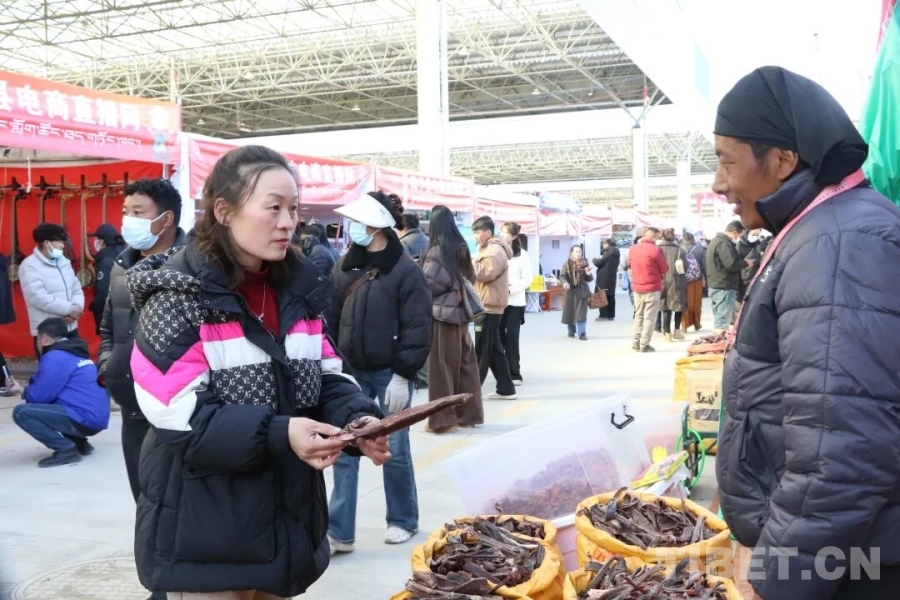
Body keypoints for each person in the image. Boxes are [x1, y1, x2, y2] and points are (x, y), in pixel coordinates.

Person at [127, 145, 390, 599]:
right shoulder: (176, 298)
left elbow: (328, 373)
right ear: (224, 212)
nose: (288, 222)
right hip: (206, 533)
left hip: (286, 524)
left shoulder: (299, 292)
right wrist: (280, 432)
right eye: (273, 208)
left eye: (294, 209)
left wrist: (356, 419)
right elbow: (177, 413)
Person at [714, 66, 900, 600]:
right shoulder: (823, 229)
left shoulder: (839, 243)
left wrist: (779, 579)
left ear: (782, 160)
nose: (718, 183)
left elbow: (840, 451)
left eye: (727, 161)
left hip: (857, 564)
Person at [326, 190, 432, 552]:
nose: (351, 227)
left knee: (395, 450)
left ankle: (403, 520)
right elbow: (330, 317)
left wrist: (404, 374)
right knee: (345, 449)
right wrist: (334, 365)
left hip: (390, 373)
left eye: (358, 221)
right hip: (351, 372)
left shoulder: (405, 270)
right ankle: (339, 532)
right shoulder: (345, 266)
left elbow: (418, 325)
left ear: (376, 225)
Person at [97, 178, 187, 523]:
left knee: (181, 504)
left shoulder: (193, 265)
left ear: (166, 219)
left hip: (179, 408)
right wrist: (109, 366)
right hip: (132, 406)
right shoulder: (122, 265)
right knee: (145, 502)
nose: (128, 220)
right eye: (126, 212)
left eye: (138, 212)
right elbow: (109, 327)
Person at [11, 317, 109, 467]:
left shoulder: (54, 357)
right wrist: (22, 389)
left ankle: (66, 449)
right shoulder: (76, 353)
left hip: (85, 418)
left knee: (21, 412)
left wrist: (25, 391)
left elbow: (38, 397)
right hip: (97, 416)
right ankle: (79, 443)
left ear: (44, 339)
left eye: (37, 339)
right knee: (59, 398)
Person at [421, 205, 484, 433]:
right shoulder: (461, 247)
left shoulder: (437, 251)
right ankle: (469, 415)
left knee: (442, 369)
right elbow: (471, 277)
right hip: (462, 314)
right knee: (466, 365)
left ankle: (443, 421)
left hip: (442, 316)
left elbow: (428, 284)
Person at [18, 223, 84, 358]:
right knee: (53, 368)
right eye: (59, 241)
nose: (62, 245)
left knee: (76, 365)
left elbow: (76, 287)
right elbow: (38, 297)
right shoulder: (29, 266)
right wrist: (69, 309)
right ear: (46, 243)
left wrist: (76, 308)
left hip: (71, 328)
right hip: (49, 332)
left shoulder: (64, 262)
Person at [470, 216, 516, 400]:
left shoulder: (494, 250)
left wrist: (472, 262)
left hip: (488, 307)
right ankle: (506, 389)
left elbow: (485, 274)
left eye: (477, 232)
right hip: (487, 305)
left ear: (488, 232)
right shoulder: (489, 248)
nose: (475, 236)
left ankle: (472, 392)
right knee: (495, 350)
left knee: (482, 351)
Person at [498, 222, 532, 385]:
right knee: (498, 338)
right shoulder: (496, 251)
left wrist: (510, 290)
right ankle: (501, 371)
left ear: (514, 236)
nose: (502, 236)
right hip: (497, 302)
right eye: (500, 232)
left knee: (512, 339)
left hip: (515, 303)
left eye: (505, 233)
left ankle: (514, 373)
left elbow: (528, 279)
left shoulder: (522, 255)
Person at [705, 220, 753, 331]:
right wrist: (746, 263)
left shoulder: (715, 241)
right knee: (722, 322)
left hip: (715, 284)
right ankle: (719, 339)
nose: (739, 239)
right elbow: (731, 264)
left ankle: (718, 336)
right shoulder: (724, 244)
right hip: (724, 286)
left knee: (719, 319)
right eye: (740, 236)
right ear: (735, 233)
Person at [627, 228, 667, 352]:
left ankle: (635, 341)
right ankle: (644, 343)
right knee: (650, 317)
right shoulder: (655, 250)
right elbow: (664, 269)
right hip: (652, 288)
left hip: (637, 287)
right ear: (654, 237)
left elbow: (629, 265)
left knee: (638, 315)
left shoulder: (633, 249)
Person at [87, 223, 126, 334]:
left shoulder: (106, 261)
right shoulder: (121, 255)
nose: (95, 242)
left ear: (102, 242)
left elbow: (104, 291)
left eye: (96, 239)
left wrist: (94, 306)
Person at [656, 228, 687, 342]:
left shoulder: (657, 249)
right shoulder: (680, 250)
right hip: (677, 280)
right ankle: (677, 331)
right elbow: (686, 266)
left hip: (661, 280)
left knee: (665, 306)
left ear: (662, 236)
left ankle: (667, 334)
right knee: (678, 305)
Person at [559, 245, 593, 340]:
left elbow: (589, 279)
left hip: (582, 292)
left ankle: (582, 334)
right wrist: (565, 283)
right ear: (571, 253)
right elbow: (562, 276)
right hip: (571, 292)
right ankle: (571, 330)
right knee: (571, 312)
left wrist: (588, 274)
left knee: (582, 313)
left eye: (580, 252)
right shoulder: (566, 264)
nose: (579, 254)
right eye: (576, 252)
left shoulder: (585, 264)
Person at [680, 232, 706, 331]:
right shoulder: (700, 249)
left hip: (683, 280)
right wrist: (706, 278)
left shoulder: (679, 249)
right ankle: (697, 323)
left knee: (684, 302)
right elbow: (704, 265)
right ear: (693, 239)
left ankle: (684, 324)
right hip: (697, 279)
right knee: (696, 302)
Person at [592, 238, 620, 321]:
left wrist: (594, 259)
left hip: (603, 277)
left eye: (604, 244)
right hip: (611, 276)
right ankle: (611, 315)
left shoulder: (608, 252)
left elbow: (599, 262)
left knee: (602, 295)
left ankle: (603, 315)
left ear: (608, 244)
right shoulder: (616, 252)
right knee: (610, 295)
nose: (603, 245)